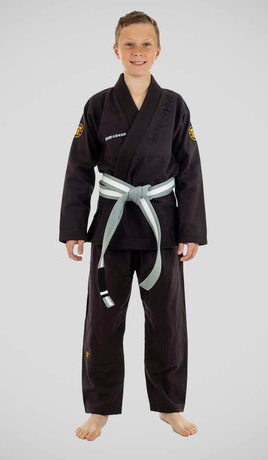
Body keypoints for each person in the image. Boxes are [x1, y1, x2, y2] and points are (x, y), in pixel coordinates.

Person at [59, 10, 207, 441]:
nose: (137, 52)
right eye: (129, 44)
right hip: (112, 226)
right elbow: (79, 168)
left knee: (167, 320)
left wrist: (191, 229)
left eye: (145, 44)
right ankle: (99, 408)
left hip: (161, 226)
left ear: (158, 51)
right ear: (116, 50)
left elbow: (190, 170)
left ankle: (169, 405)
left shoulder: (174, 105)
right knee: (104, 320)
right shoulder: (98, 105)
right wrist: (73, 226)